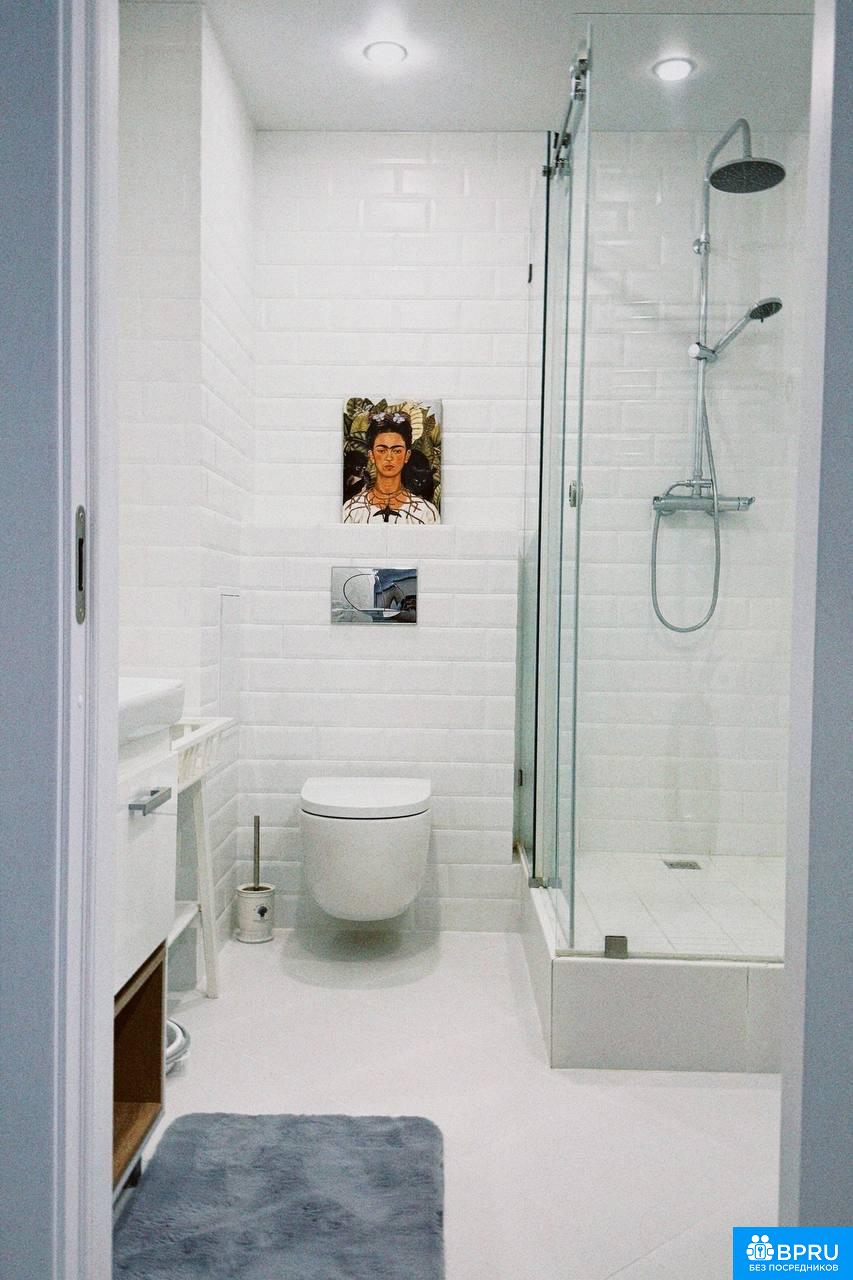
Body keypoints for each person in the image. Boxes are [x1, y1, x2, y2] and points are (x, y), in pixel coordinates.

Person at [342, 410, 440, 524]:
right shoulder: (351, 510)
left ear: (407, 455)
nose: (389, 457)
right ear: (371, 455)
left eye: (397, 451)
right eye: (381, 450)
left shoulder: (426, 513)